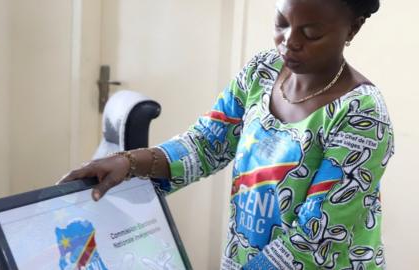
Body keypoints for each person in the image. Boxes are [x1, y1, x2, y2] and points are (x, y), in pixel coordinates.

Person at [59, 0, 394, 268]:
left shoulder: (362, 114)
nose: (289, 42)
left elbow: (317, 236)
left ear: (353, 27)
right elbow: (207, 142)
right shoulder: (262, 72)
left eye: (310, 33)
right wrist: (129, 163)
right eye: (281, 23)